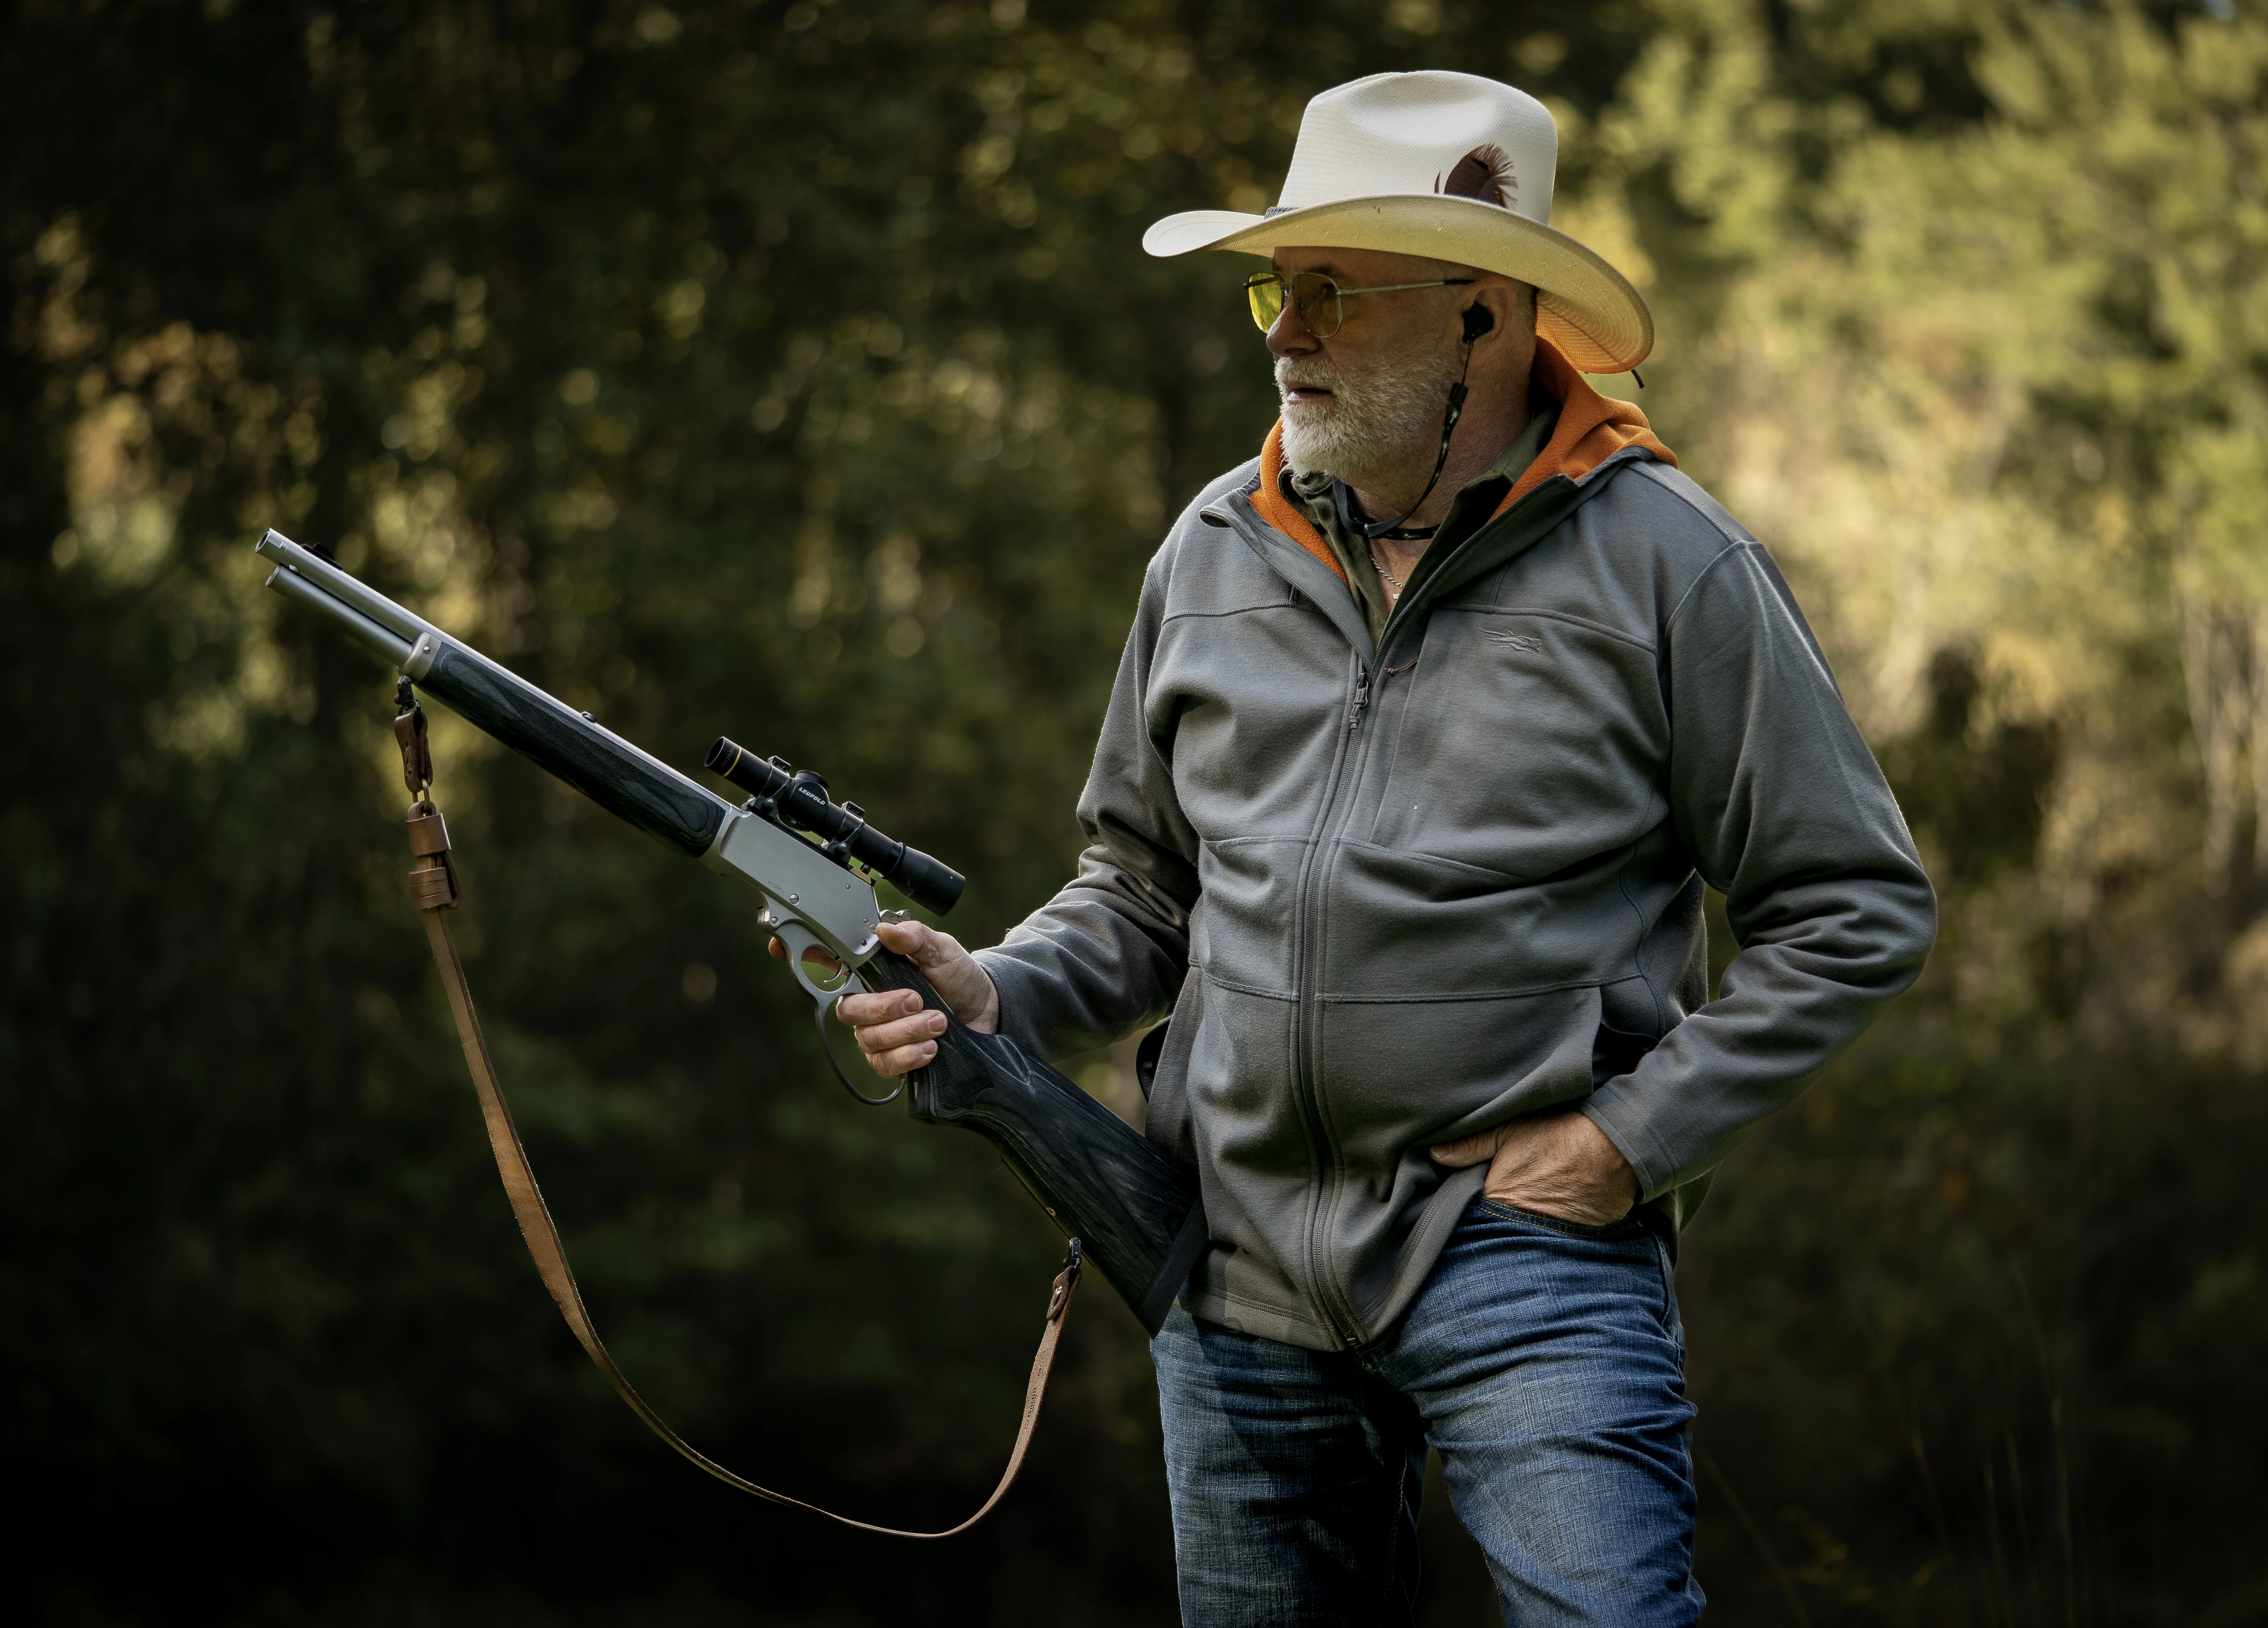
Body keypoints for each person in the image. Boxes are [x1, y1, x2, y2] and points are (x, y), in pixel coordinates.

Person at [816, 71, 1935, 1625]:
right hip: (1236, 1270)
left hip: (1531, 1264)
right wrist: (997, 987)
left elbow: (1858, 907)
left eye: (1336, 289)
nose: (1284, 331)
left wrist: (1626, 1144)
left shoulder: (1674, 566)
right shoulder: (1211, 553)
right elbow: (1140, 890)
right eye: (1280, 285)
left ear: (1485, 316)